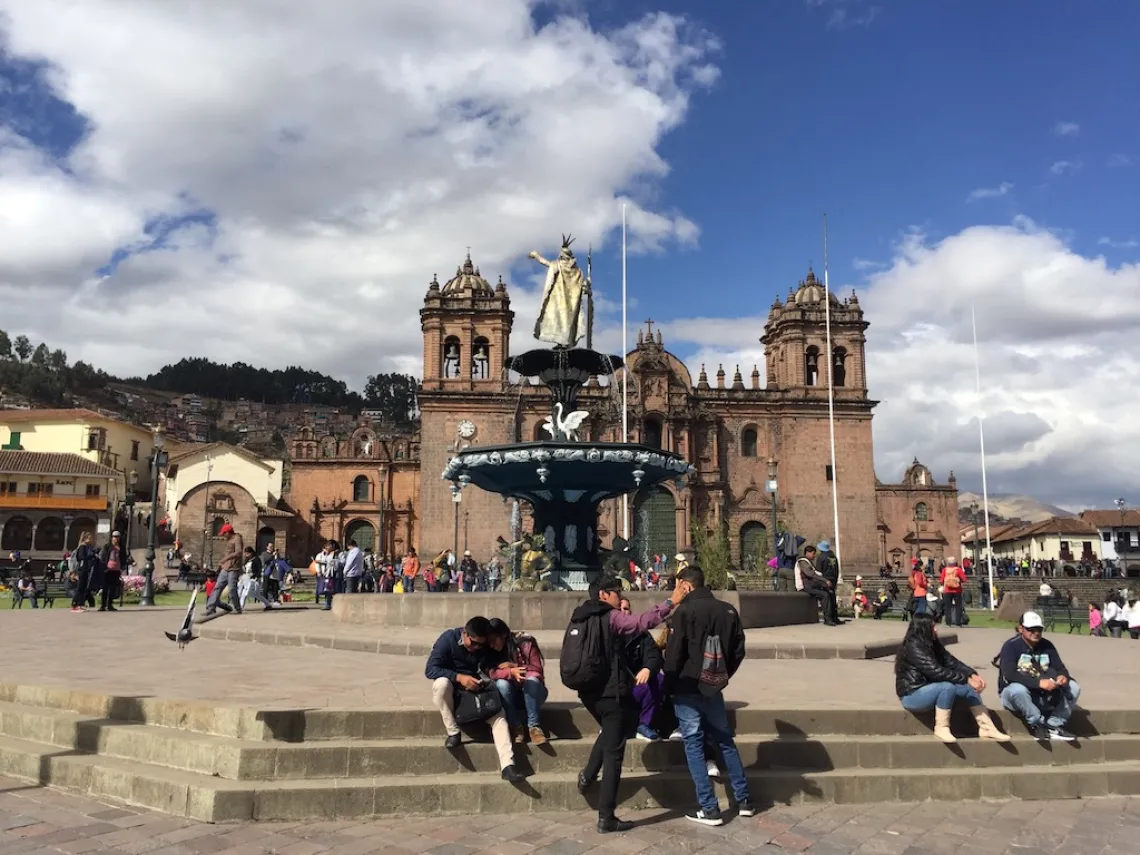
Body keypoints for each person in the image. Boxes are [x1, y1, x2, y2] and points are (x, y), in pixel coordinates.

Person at [568, 575, 686, 834]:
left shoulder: (578, 616)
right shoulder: (609, 617)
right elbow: (642, 622)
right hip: (610, 693)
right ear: (603, 595)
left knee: (613, 731)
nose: (619, 597)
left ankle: (588, 775)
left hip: (588, 692)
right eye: (615, 592)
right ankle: (606, 816)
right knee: (614, 753)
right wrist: (671, 601)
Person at [664, 566, 755, 826]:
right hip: (713, 686)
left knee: (693, 744)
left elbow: (673, 655)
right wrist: (722, 675)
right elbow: (739, 649)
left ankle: (710, 808)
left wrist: (668, 686)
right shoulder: (727, 610)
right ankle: (744, 800)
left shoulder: (684, 612)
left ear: (686, 586)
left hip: (687, 686)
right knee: (725, 740)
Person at [425, 616, 524, 783]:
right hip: (454, 690)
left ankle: (508, 766)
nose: (476, 648)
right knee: (440, 685)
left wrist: (502, 665)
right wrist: (459, 677)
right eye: (473, 643)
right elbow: (430, 670)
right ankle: (453, 732)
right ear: (464, 634)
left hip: (478, 691)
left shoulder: (483, 646)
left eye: (480, 644)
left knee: (499, 716)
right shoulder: (448, 639)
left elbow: (491, 663)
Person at [895, 614, 1010, 744]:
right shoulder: (914, 647)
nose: (936, 629)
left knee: (968, 689)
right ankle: (941, 728)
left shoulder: (932, 643)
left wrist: (971, 674)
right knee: (946, 687)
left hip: (930, 689)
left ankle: (986, 728)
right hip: (912, 695)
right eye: (933, 627)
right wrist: (965, 679)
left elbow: (951, 662)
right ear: (923, 628)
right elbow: (936, 672)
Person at [998, 611, 1081, 742]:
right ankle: (1037, 723)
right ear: (1021, 629)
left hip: (1043, 695)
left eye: (1039, 629)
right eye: (1031, 629)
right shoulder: (1011, 646)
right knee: (1018, 690)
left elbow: (1060, 667)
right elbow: (1009, 674)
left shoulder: (1047, 645)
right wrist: (1038, 683)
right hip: (1015, 696)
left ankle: (1054, 724)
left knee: (1074, 687)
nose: (1036, 633)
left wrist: (1062, 676)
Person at [486, 618, 548, 745]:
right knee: (501, 684)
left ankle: (534, 727)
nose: (491, 645)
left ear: (503, 635)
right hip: (509, 697)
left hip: (532, 693)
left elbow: (536, 669)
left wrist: (515, 666)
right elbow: (491, 673)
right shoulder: (489, 652)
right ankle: (516, 726)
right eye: (489, 642)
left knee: (532, 680)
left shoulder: (525, 642)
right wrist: (510, 673)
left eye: (493, 640)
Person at [616, 597, 667, 742]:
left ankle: (644, 724)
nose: (623, 612)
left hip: (635, 685)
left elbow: (654, 655)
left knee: (658, 679)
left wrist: (648, 668)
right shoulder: (605, 633)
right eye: (619, 609)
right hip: (613, 688)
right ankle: (611, 725)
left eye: (626, 609)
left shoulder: (641, 633)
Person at [206, 523, 244, 615]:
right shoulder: (229, 540)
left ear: (228, 532)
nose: (223, 536)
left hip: (233, 568)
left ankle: (237, 608)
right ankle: (211, 608)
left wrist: (226, 558)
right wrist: (222, 563)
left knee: (232, 588)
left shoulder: (237, 539)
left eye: (224, 533)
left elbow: (238, 552)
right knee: (217, 587)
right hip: (225, 568)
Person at [795, 546, 836, 626]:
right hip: (805, 587)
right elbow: (811, 574)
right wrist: (825, 580)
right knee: (825, 595)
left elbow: (816, 573)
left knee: (830, 592)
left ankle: (833, 617)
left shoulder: (808, 562)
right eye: (813, 553)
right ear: (808, 553)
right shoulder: (802, 562)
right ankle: (827, 619)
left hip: (811, 585)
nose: (814, 556)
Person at [99, 530, 130, 612]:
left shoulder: (121, 547)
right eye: (114, 537)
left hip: (116, 570)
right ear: (112, 538)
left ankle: (109, 604)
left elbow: (124, 557)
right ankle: (103, 605)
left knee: (113, 588)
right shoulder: (107, 546)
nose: (116, 539)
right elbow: (103, 557)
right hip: (108, 569)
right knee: (105, 587)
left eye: (117, 537)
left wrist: (123, 566)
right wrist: (103, 567)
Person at [814, 540, 840, 625]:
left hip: (824, 580)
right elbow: (836, 570)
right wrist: (835, 581)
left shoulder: (821, 557)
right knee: (832, 599)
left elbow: (818, 571)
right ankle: (835, 617)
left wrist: (820, 581)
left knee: (826, 600)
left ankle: (828, 619)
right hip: (833, 580)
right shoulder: (833, 557)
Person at [940, 558, 966, 627]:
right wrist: (958, 580)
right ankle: (958, 622)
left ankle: (948, 622)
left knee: (947, 606)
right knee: (958, 606)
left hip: (947, 590)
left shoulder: (945, 570)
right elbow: (964, 579)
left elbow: (941, 581)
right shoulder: (958, 570)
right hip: (957, 590)